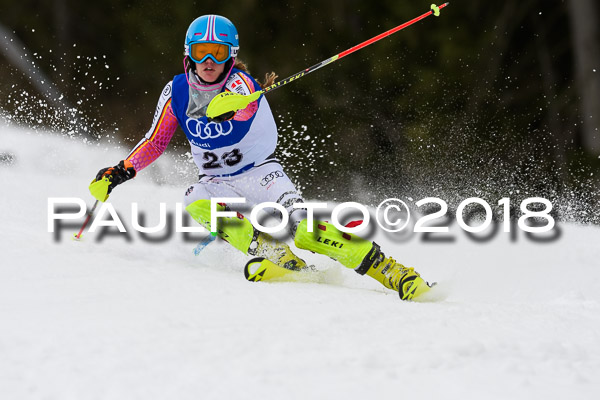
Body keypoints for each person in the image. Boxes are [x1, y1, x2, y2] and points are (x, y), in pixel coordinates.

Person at [93, 15, 432, 300]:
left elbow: (245, 110)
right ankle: (275, 255)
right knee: (194, 200)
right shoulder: (176, 92)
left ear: (231, 55)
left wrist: (230, 110)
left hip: (261, 175)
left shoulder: (242, 85)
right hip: (216, 182)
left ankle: (393, 272)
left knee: (306, 232)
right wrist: (120, 171)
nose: (209, 62)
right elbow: (155, 141)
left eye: (218, 53)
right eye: (201, 52)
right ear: (189, 55)